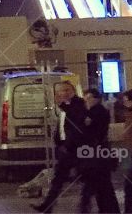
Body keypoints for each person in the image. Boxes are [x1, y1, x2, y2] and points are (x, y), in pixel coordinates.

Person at [32, 81, 87, 213]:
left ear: (71, 92)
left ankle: (87, 207)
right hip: (65, 149)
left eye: (64, 91)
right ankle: (47, 206)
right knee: (58, 179)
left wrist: (67, 145)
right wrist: (59, 143)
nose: (60, 94)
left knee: (88, 179)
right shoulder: (63, 107)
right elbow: (62, 128)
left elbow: (76, 129)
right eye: (58, 92)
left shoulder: (77, 105)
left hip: (76, 149)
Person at [77, 89, 121, 214]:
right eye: (85, 99)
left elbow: (88, 129)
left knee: (98, 184)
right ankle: (107, 209)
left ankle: (89, 208)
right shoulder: (98, 111)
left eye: (89, 98)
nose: (87, 101)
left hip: (96, 154)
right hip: (99, 154)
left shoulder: (95, 112)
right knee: (102, 185)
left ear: (96, 99)